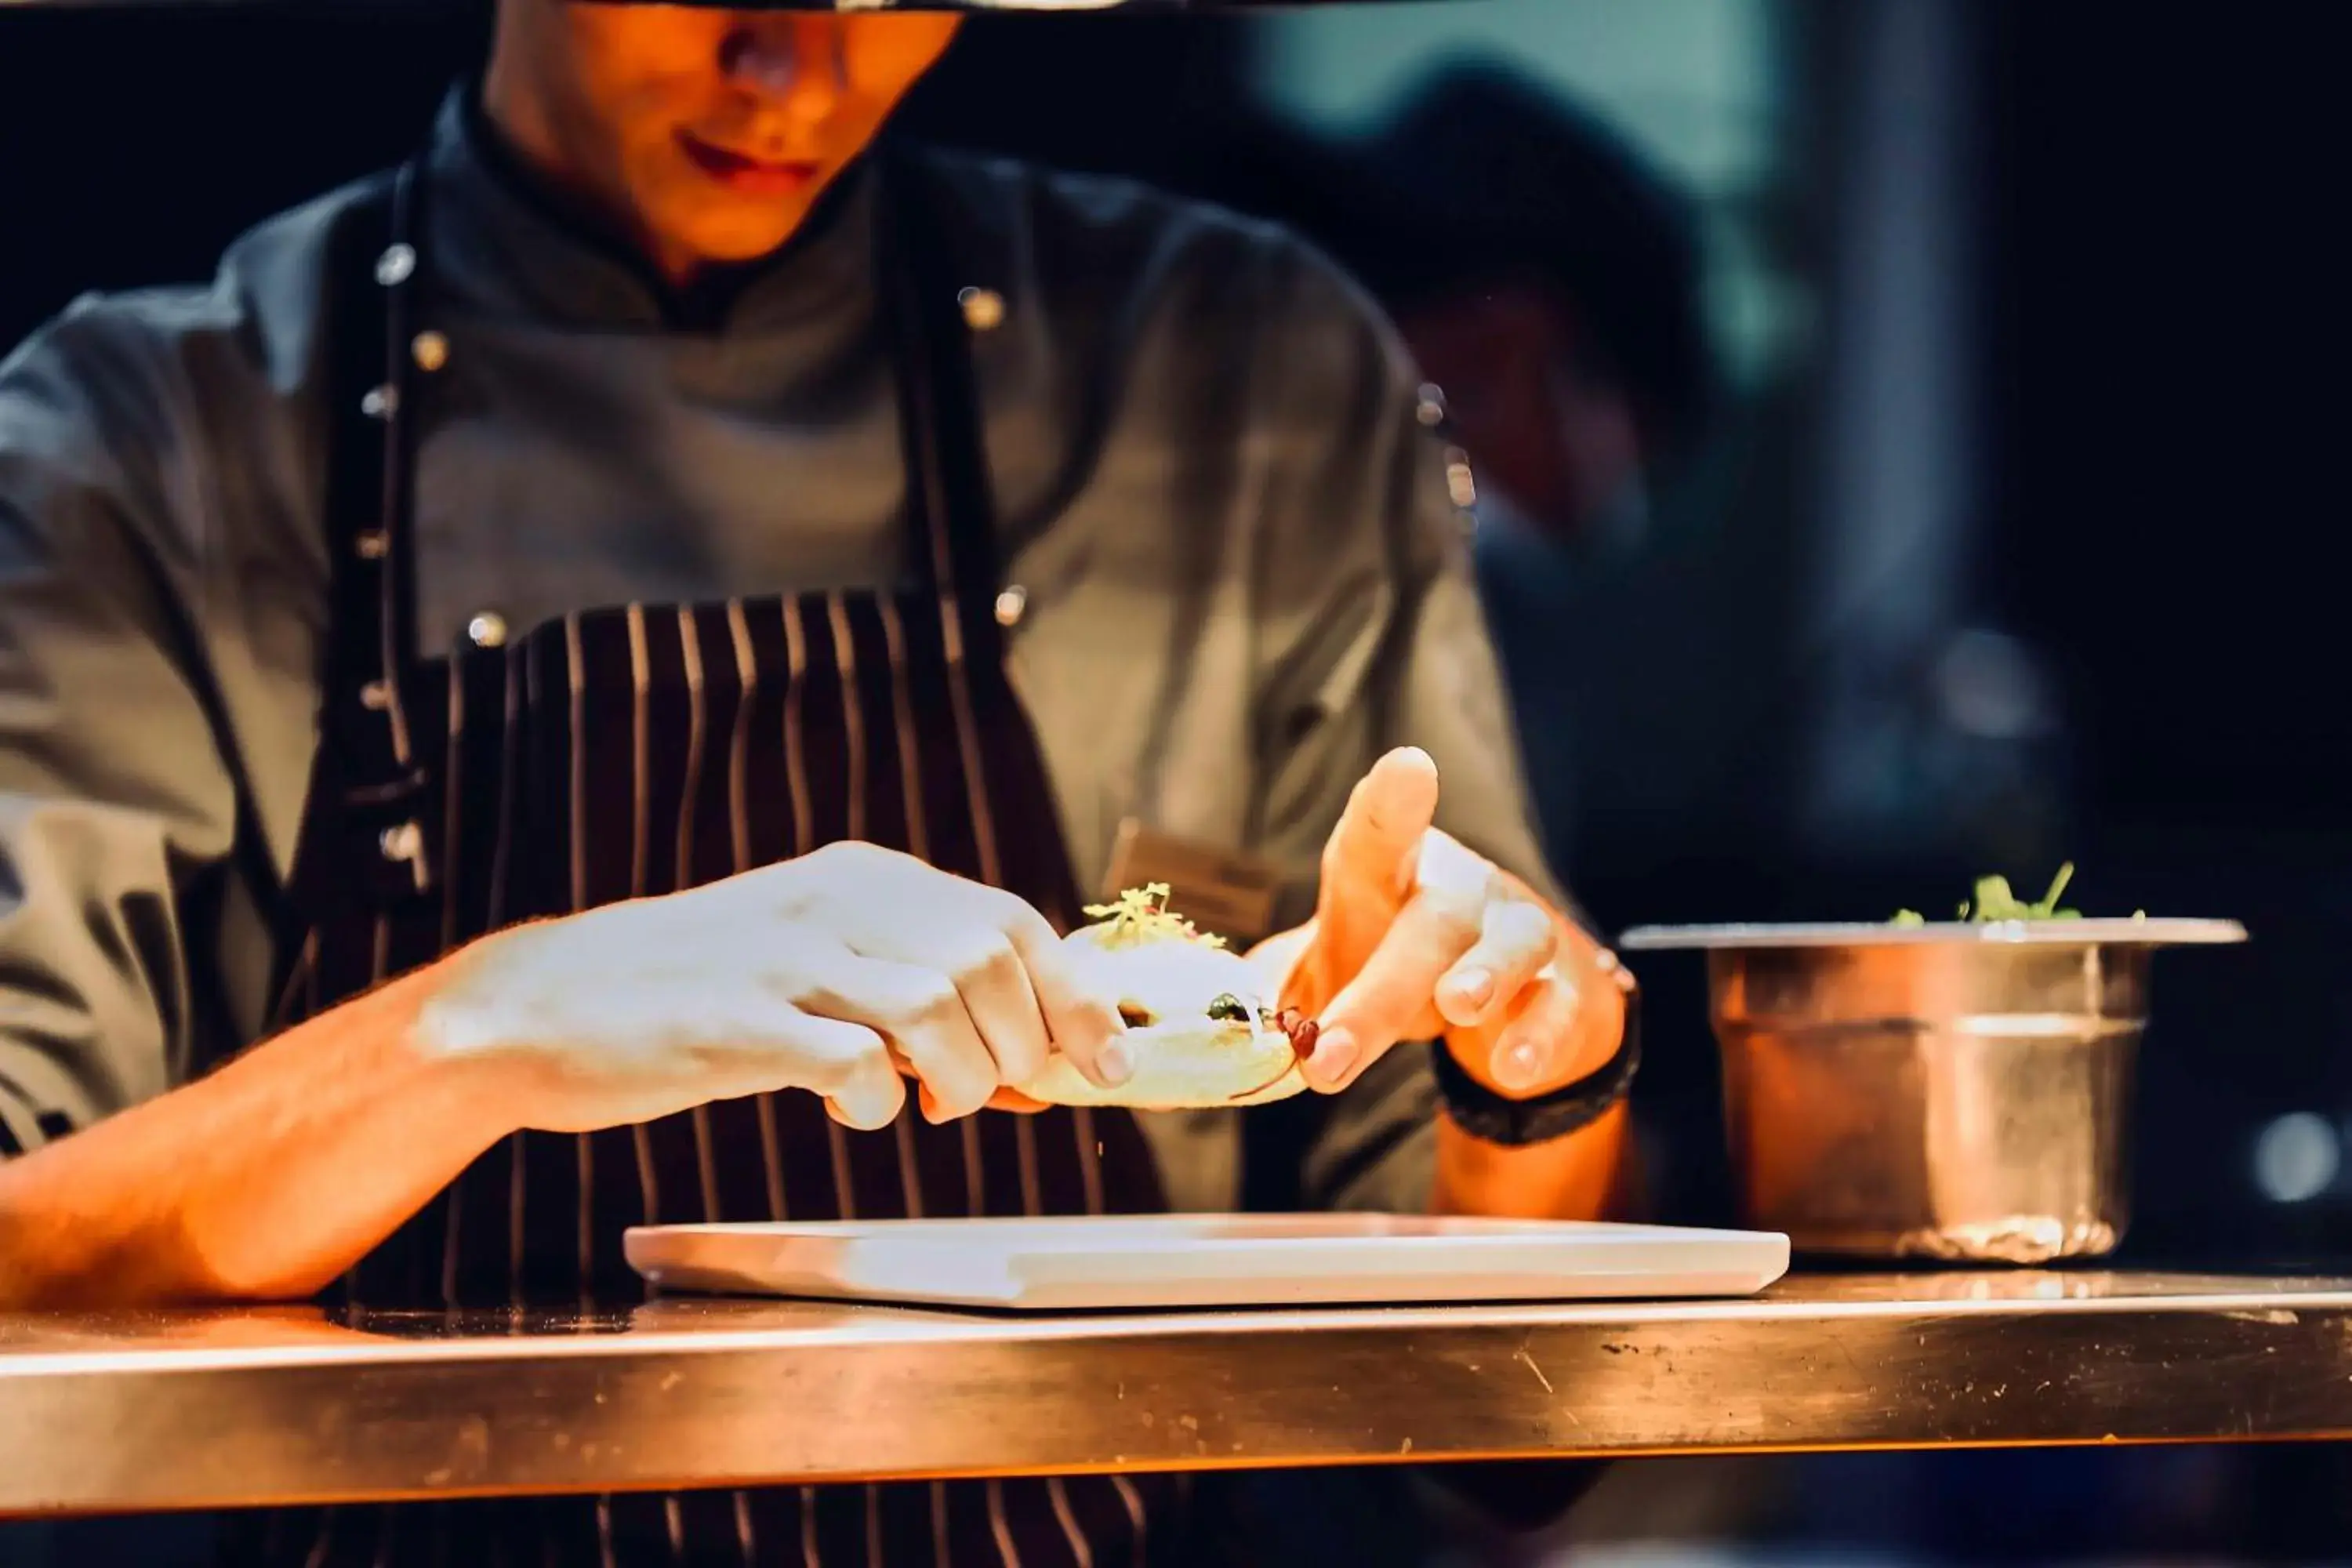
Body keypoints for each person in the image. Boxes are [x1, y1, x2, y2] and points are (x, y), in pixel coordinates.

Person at [0, 7, 1634, 1563]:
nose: (798, 72)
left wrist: (1537, 1067)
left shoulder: (1237, 380)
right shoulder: (147, 447)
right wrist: (491, 1020)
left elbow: (1504, 1433)